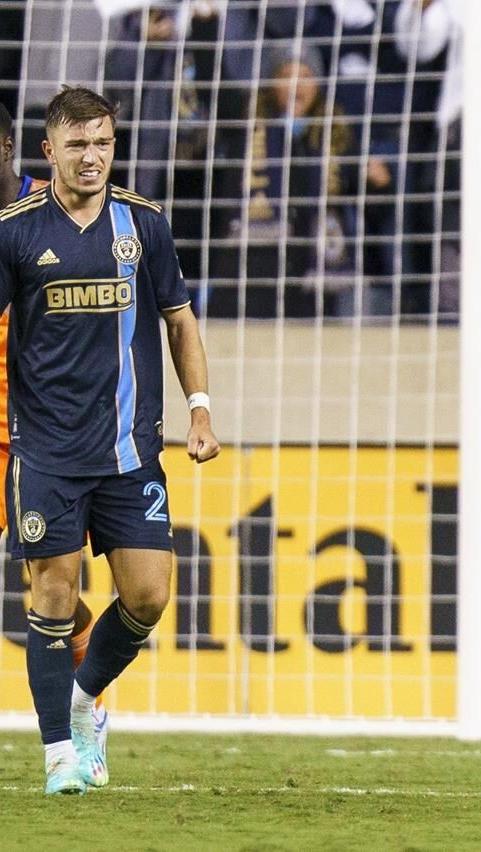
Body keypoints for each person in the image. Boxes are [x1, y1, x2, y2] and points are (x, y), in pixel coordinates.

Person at [0, 86, 220, 795]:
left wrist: (201, 408)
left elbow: (180, 321)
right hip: (46, 451)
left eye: (102, 143)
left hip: (130, 452)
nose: (91, 158)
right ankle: (59, 754)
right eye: (77, 145)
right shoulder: (15, 230)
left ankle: (83, 697)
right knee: (53, 595)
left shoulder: (144, 224)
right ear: (48, 151)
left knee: (150, 597)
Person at [0, 100, 108, 741]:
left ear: (10, 146)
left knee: (50, 582)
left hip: (41, 430)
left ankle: (86, 697)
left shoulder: (56, 211)